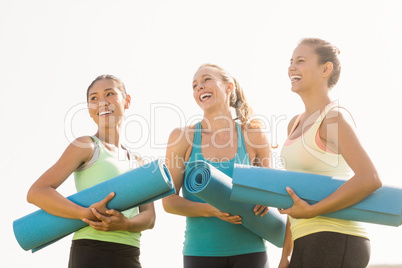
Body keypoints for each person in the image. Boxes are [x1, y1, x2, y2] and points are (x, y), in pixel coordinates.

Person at [27, 74, 155, 268]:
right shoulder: (86, 146)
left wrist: (126, 224)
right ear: (89, 109)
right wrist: (84, 213)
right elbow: (37, 192)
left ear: (127, 101)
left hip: (130, 253)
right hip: (90, 251)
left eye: (109, 94)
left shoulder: (139, 162)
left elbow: (150, 217)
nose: (101, 102)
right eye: (93, 98)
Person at [278, 38, 382, 268]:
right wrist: (286, 254)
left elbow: (370, 178)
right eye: (291, 62)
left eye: (301, 61)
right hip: (303, 239)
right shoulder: (294, 124)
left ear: (326, 69)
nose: (291, 68)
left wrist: (312, 211)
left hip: (336, 237)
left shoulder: (333, 118)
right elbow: (295, 193)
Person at [162, 63, 272, 268]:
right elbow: (169, 202)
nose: (199, 87)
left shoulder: (254, 136)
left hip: (252, 251)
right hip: (201, 252)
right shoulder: (182, 137)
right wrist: (210, 209)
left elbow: (269, 192)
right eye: (194, 85)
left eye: (206, 80)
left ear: (229, 87)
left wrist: (265, 199)